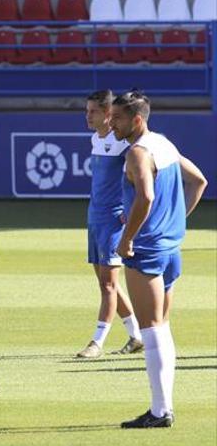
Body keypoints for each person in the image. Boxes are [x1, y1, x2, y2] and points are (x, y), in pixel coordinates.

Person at [109, 90, 207, 428]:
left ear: (137, 119)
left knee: (151, 332)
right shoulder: (164, 144)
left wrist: (127, 239)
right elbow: (199, 181)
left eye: (118, 117)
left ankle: (160, 411)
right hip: (170, 249)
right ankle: (162, 407)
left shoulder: (138, 153)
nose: (112, 123)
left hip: (147, 251)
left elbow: (146, 196)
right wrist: (175, 222)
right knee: (161, 329)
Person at [77, 90, 143, 358]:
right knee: (108, 284)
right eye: (87, 111)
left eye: (93, 111)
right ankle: (136, 335)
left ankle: (97, 342)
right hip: (95, 218)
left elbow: (140, 182)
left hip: (113, 222)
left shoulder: (126, 147)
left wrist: (128, 212)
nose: (87, 116)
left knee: (107, 284)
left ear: (108, 115)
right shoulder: (96, 139)